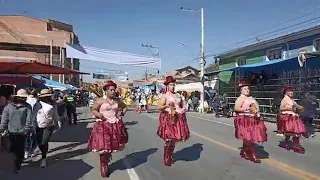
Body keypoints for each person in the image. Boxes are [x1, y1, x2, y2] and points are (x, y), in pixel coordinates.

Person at [87, 80, 128, 178]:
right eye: (111, 90)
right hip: (103, 125)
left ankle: (106, 161)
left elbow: (125, 107)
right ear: (106, 91)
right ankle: (103, 164)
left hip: (114, 125)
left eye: (114, 90)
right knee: (104, 148)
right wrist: (99, 114)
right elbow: (93, 110)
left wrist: (121, 114)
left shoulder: (117, 100)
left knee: (110, 148)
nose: (113, 92)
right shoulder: (100, 100)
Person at [157, 76, 190, 166]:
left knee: (174, 139)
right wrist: (166, 106)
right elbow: (159, 107)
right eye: (171, 85)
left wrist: (183, 108)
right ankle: (166, 157)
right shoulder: (165, 96)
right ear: (167, 86)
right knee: (169, 139)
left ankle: (170, 154)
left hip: (179, 118)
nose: (173, 86)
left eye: (173, 85)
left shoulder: (177, 95)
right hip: (169, 118)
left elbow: (181, 104)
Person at [0, 89, 33, 173]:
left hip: (22, 132)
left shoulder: (27, 106)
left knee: (20, 150)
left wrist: (27, 129)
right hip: (11, 131)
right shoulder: (9, 106)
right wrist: (1, 129)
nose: (23, 99)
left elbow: (29, 120)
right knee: (13, 149)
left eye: (24, 98)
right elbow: (5, 119)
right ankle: (16, 162)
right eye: (22, 97)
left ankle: (17, 165)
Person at [234, 82, 267, 163]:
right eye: (245, 89)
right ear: (241, 90)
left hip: (253, 118)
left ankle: (244, 152)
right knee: (249, 137)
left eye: (248, 88)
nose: (247, 90)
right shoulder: (240, 98)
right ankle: (252, 154)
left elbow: (256, 107)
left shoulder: (251, 98)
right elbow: (237, 108)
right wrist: (247, 109)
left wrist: (256, 111)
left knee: (250, 137)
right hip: (245, 119)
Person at [33, 89, 58, 168]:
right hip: (38, 125)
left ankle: (44, 158)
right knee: (39, 142)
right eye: (45, 96)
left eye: (47, 96)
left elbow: (55, 114)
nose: (46, 97)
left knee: (44, 141)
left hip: (48, 126)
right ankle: (42, 151)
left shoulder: (53, 104)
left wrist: (58, 122)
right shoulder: (37, 104)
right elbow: (33, 114)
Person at [278, 85, 305, 153]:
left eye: (292, 91)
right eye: (289, 91)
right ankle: (294, 145)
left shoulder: (292, 100)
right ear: (286, 92)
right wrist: (290, 108)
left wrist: (300, 108)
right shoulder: (284, 99)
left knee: (296, 132)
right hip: (288, 117)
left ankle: (293, 144)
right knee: (292, 132)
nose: (291, 92)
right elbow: (281, 108)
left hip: (294, 116)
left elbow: (296, 106)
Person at [25, 87, 39, 159]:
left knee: (26, 137)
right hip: (36, 122)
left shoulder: (25, 101)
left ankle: (26, 151)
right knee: (34, 137)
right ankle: (33, 150)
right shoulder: (38, 102)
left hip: (26, 121)